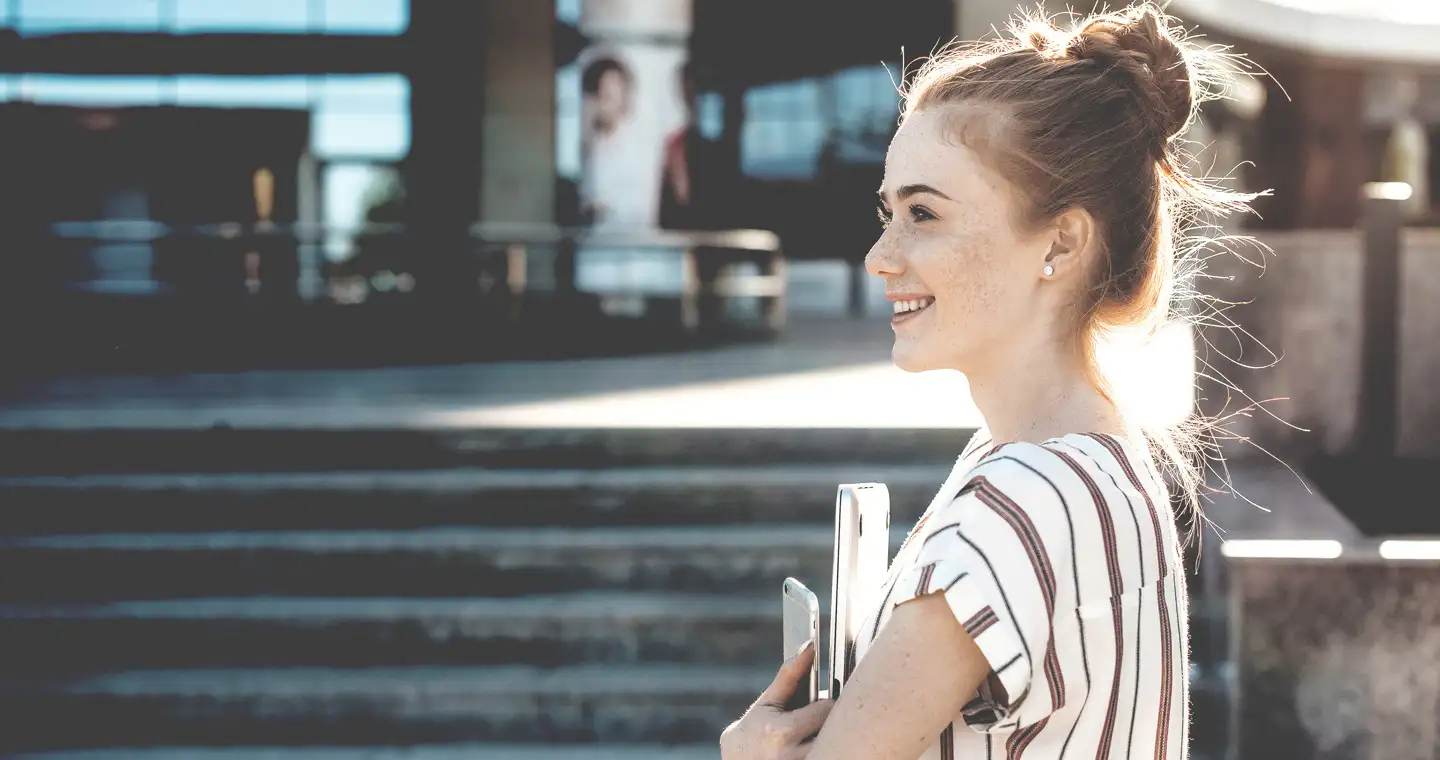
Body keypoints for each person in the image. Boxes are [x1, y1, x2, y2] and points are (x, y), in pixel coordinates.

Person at [720, 4, 1260, 759]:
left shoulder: (1012, 505)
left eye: (923, 214)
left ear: (1062, 242)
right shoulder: (1111, 465)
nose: (880, 255)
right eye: (888, 211)